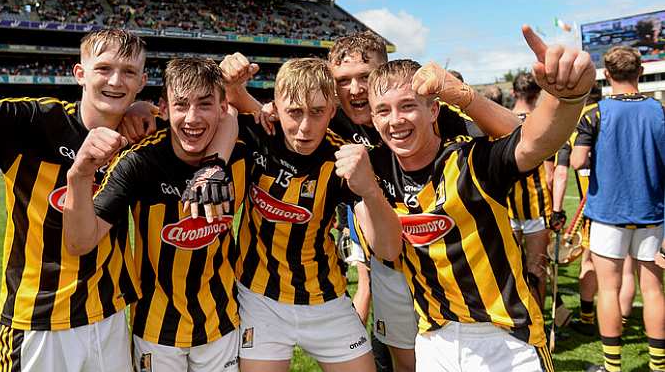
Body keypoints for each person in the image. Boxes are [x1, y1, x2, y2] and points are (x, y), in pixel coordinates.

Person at [223, 31, 520, 372]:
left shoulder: (425, 111)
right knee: (405, 361)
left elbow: (513, 137)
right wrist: (235, 88)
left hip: (445, 259)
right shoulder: (327, 121)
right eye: (343, 81)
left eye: (365, 77)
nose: (355, 89)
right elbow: (275, 117)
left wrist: (464, 95)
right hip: (389, 264)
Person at [0, 0, 158, 371]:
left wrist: (146, 109)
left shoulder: (142, 134)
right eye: (103, 68)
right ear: (80, 74)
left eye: (128, 72)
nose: (115, 80)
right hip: (38, 322)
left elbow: (202, 110)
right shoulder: (35, 121)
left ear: (141, 81)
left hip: (110, 316)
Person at [336, 25, 596, 372]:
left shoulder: (471, 158)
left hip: (506, 337)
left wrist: (568, 98)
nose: (395, 120)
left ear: (433, 110)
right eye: (382, 111)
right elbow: (386, 250)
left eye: (408, 106)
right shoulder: (372, 164)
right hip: (435, 336)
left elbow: (532, 142)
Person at [63, 58, 243, 372]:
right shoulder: (139, 162)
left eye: (204, 105)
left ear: (222, 106)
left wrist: (217, 163)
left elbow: (268, 119)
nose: (192, 118)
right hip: (157, 329)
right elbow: (80, 241)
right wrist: (77, 177)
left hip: (222, 322)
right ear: (163, 107)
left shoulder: (243, 152)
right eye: (181, 105)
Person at [232, 58, 376, 372]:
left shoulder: (343, 157)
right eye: (294, 112)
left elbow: (384, 246)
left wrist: (371, 191)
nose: (305, 127)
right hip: (259, 298)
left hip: (327, 298)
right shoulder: (256, 133)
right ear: (274, 108)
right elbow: (206, 107)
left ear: (333, 111)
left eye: (317, 112)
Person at [570, 45, 664, 372]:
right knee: (652, 290)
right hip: (652, 212)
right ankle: (658, 365)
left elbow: (578, 160)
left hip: (608, 213)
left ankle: (612, 367)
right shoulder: (660, 111)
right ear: (640, 72)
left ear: (606, 75)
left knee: (608, 290)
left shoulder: (595, 113)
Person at [551, 83, 602, 336]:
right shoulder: (610, 113)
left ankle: (587, 318)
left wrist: (557, 210)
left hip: (597, 207)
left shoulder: (576, 123)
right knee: (628, 266)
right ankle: (623, 319)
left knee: (589, 262)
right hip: (638, 204)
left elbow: (562, 172)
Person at [506, 71, 555, 311]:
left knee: (511, 270)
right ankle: (537, 324)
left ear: (514, 93)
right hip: (537, 208)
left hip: (507, 208)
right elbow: (551, 174)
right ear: (537, 94)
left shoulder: (499, 120)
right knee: (537, 269)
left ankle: (517, 323)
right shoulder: (542, 122)